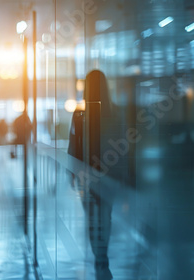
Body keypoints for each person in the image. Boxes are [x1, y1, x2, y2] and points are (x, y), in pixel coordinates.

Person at [68, 70, 113, 280]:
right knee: (105, 216)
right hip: (108, 174)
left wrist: (72, 173)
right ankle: (101, 256)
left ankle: (100, 256)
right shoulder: (113, 114)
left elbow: (73, 147)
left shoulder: (79, 115)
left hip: (87, 176)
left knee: (93, 219)